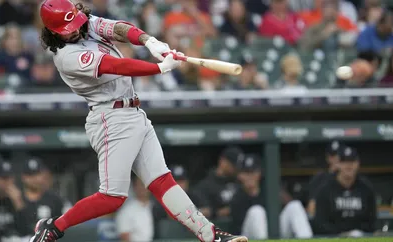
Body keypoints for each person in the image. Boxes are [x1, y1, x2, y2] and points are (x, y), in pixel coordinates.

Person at [30, 0, 247, 242]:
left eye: (76, 22)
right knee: (112, 197)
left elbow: (119, 29)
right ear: (52, 31)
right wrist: (160, 68)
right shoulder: (66, 56)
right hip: (110, 118)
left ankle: (210, 235)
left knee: (162, 180)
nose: (75, 29)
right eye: (67, 29)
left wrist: (149, 41)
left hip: (133, 111)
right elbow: (117, 66)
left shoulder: (84, 24)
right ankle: (54, 227)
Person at [230, 154, 312, 240]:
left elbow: (287, 203)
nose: (250, 177)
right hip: (247, 237)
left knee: (295, 205)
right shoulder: (237, 196)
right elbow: (238, 229)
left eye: (253, 172)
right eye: (246, 173)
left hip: (274, 232)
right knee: (256, 211)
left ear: (259, 173)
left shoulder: (268, 190)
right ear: (239, 175)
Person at [311, 147, 377, 237]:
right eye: (344, 162)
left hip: (359, 236)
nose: (348, 165)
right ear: (338, 164)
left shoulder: (366, 188)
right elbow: (320, 222)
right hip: (333, 237)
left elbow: (372, 220)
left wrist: (358, 232)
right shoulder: (325, 189)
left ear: (358, 163)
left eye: (352, 161)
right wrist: (340, 234)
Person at [0, 159, 35, 242]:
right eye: (2, 178)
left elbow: (28, 230)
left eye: (9, 177)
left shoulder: (20, 198)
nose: (6, 181)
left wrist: (18, 203)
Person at [21, 158, 72, 238]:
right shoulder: (17, 199)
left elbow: (69, 223)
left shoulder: (55, 199)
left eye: (37, 174)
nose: (34, 178)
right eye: (30, 175)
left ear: (43, 175)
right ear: (23, 177)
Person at [193, 146, 244, 220]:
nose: (236, 169)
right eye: (233, 165)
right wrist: (218, 212)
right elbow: (205, 212)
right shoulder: (205, 186)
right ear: (222, 161)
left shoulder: (240, 183)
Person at [306, 141, 342, 214]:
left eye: (340, 155)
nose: (337, 158)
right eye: (333, 155)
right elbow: (311, 207)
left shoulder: (353, 178)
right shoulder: (319, 178)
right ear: (328, 158)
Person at [115, 175, 154, 242]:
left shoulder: (158, 207)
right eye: (140, 185)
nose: (143, 188)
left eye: (145, 184)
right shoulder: (126, 211)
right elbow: (125, 238)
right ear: (134, 187)